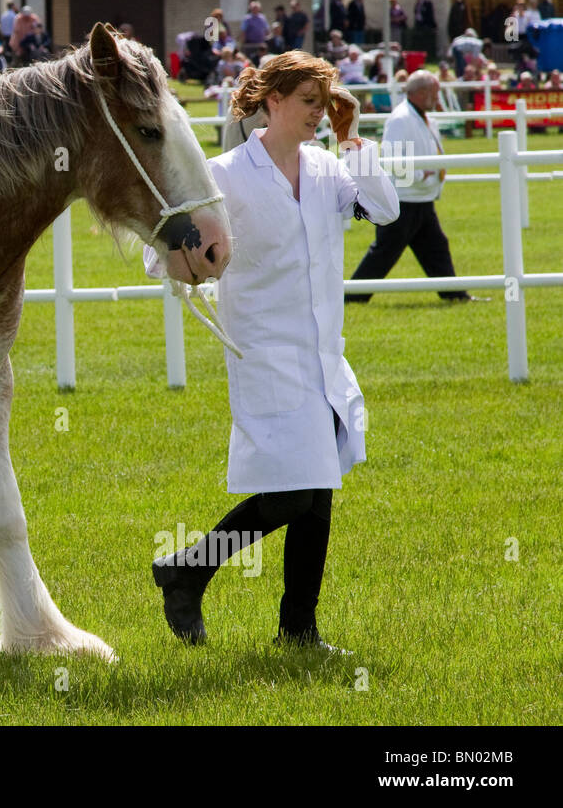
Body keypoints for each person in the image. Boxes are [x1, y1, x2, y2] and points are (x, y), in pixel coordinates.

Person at [148, 52, 400, 653]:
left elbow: (386, 210)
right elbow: (163, 253)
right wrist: (197, 262)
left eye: (325, 101)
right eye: (310, 101)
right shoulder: (224, 174)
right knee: (295, 491)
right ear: (273, 100)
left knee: (319, 487)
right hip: (262, 348)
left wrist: (352, 139)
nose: (320, 112)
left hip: (322, 352)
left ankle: (296, 628)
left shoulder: (325, 168)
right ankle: (189, 569)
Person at [347, 70, 483, 304]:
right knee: (385, 251)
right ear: (421, 93)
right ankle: (352, 297)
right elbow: (393, 160)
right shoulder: (401, 119)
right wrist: (422, 174)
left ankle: (454, 295)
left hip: (420, 198)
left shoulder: (420, 115)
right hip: (404, 200)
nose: (437, 96)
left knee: (435, 247)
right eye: (435, 92)